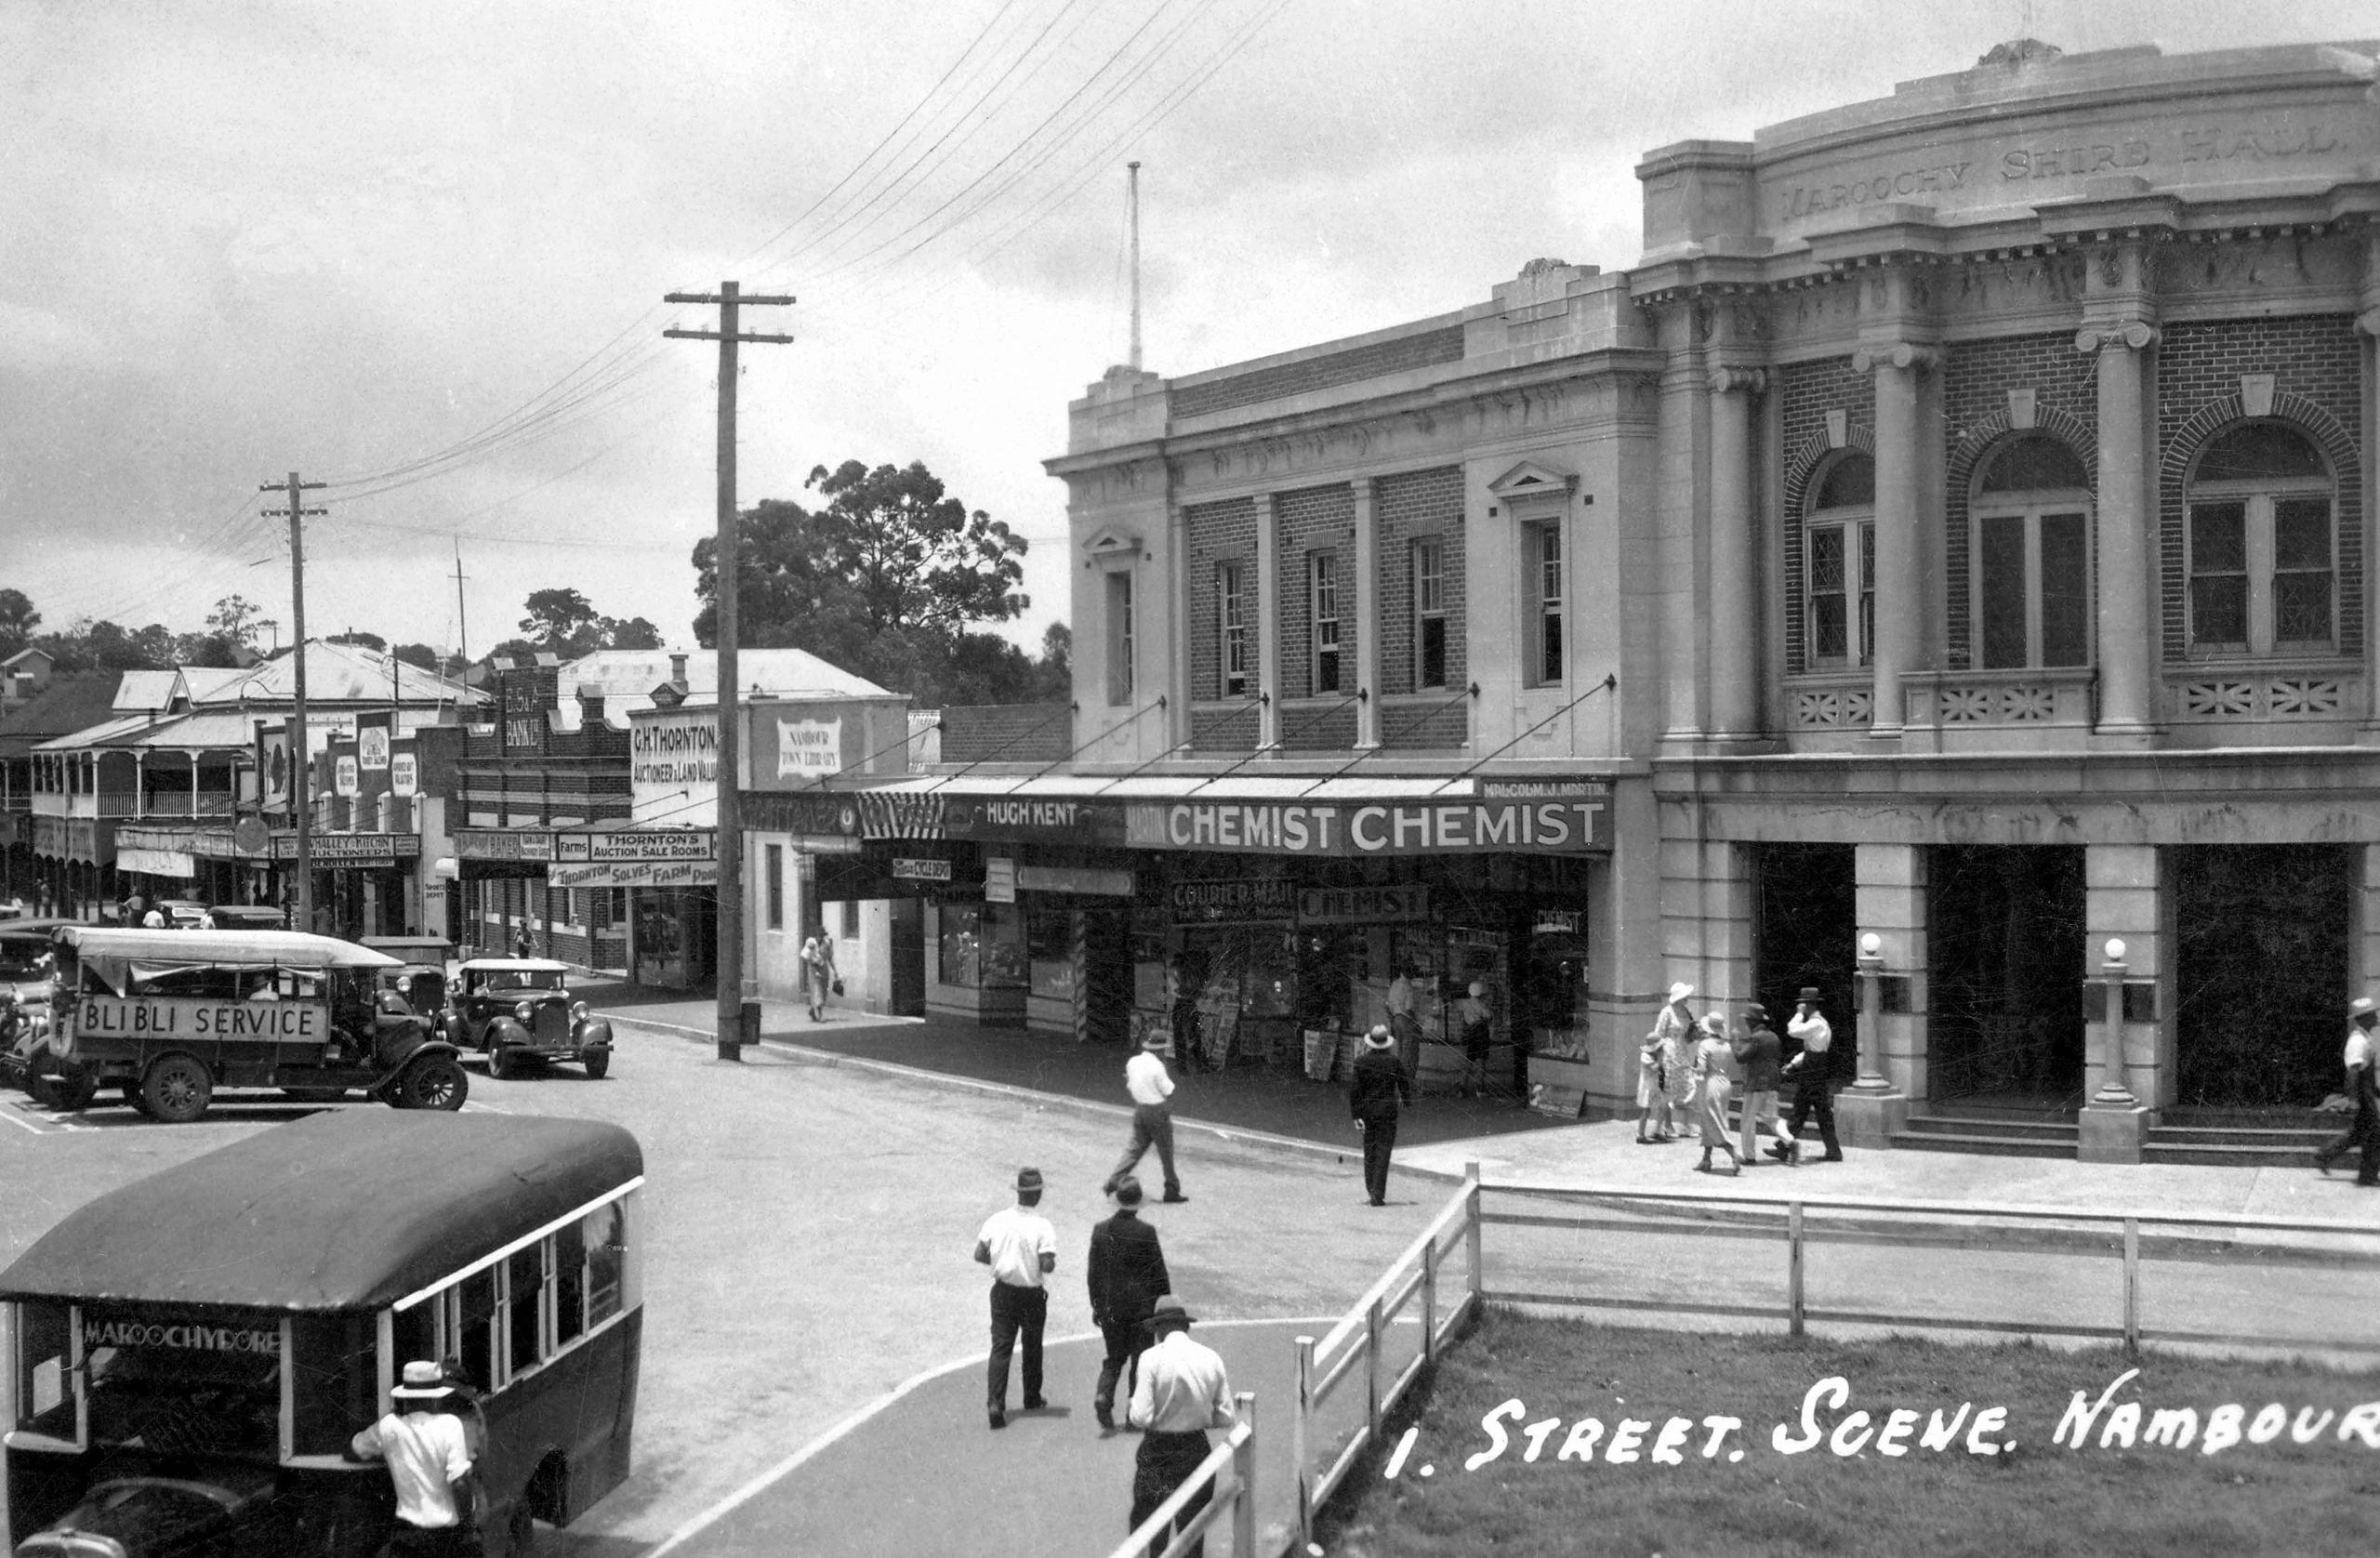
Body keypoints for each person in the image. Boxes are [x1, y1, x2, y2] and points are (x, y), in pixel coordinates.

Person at [1125, 1296, 1237, 1558]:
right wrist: (1196, 1415)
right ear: (1184, 1326)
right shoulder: (1211, 1357)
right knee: (1192, 1532)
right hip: (1196, 1448)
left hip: (1158, 1450)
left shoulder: (1150, 1358)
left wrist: (1137, 1407)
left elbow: (1139, 1417)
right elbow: (1226, 1416)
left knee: (1150, 1528)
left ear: (1161, 1328)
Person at [347, 1359, 481, 1557]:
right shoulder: (450, 1425)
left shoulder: (388, 1426)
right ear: (436, 1396)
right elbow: (460, 1483)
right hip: (447, 1538)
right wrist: (468, 1525)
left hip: (407, 1538)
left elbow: (357, 1448)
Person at [974, 1166, 1057, 1430]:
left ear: (1020, 1192)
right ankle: (1031, 1397)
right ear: (1038, 1195)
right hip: (1031, 1294)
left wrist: (999, 1260)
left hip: (1002, 1291)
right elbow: (1047, 1265)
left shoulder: (997, 1219)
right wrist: (1039, 1260)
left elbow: (979, 1253)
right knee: (1032, 1347)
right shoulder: (1043, 1226)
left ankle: (995, 1403)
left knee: (1001, 1347)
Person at [1088, 1176, 1171, 1431]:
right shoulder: (1146, 1232)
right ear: (1138, 1203)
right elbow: (1159, 1274)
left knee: (1114, 1358)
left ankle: (1104, 1394)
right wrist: (1164, 1305)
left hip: (1112, 1309)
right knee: (1140, 1361)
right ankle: (1133, 1413)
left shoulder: (1101, 1230)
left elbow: (1094, 1275)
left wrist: (1097, 1305)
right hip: (1142, 1310)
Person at [1104, 1033, 1186, 1203]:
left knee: (1135, 1148)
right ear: (1160, 1050)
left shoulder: (1132, 1062)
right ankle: (1171, 1189)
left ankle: (1114, 1180)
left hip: (1140, 1109)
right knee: (1166, 1152)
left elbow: (1130, 1084)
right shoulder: (1158, 1067)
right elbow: (1168, 1090)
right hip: (1157, 1110)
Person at [1773, 986, 1843, 1164]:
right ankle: (1786, 1147)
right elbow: (1810, 1051)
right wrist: (1794, 1064)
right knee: (1809, 1110)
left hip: (1814, 1070)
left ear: (1809, 1005)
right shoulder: (1818, 1024)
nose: (1801, 1006)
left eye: (1803, 1004)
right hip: (1813, 1066)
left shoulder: (1816, 1023)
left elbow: (1793, 1030)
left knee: (1806, 1109)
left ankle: (1785, 1147)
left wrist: (1798, 1014)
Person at [1348, 1023, 1413, 1206]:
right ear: (1387, 1043)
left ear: (1370, 1043)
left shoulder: (1361, 1062)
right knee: (1384, 1151)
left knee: (1370, 1150)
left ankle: (1371, 1189)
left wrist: (1356, 1115)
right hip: (1387, 1112)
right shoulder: (1394, 1062)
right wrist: (1406, 1101)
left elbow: (1355, 1091)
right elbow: (1404, 1084)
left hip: (1368, 1112)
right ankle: (1378, 1192)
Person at [2316, 996, 2379, 1179]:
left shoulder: (2365, 1038)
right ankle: (2367, 1176)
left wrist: (2375, 1090)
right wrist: (2353, 1099)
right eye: (2372, 1014)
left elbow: (2366, 1073)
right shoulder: (2358, 1041)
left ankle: (2324, 1155)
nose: (2376, 1016)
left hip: (2365, 1090)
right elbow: (2353, 1073)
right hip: (2361, 1092)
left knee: (2358, 1132)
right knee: (2375, 1133)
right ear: (2365, 1018)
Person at [1732, 1004, 1792, 1167]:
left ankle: (1749, 1156)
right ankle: (1789, 1140)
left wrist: (1736, 1041)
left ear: (1752, 1021)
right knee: (1771, 1117)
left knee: (1747, 1120)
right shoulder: (1774, 1037)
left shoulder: (1755, 1038)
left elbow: (1741, 1057)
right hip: (1772, 1081)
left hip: (1756, 1082)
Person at [1640, 984, 1693, 1142]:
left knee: (1685, 1087)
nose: (1687, 999)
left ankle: (1685, 1124)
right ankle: (1667, 1125)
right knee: (1668, 1088)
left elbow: (1688, 1034)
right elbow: (1658, 1034)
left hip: (1682, 1050)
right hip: (1669, 1051)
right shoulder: (1667, 1012)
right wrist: (1660, 1054)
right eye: (1684, 996)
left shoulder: (1686, 1012)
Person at [1691, 1012, 1741, 1175]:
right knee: (1709, 1119)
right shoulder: (1726, 1045)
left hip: (1711, 1082)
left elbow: (1702, 1068)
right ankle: (1706, 1159)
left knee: (1713, 1119)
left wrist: (1691, 1068)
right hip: (1725, 1082)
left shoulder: (1705, 1045)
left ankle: (1733, 1153)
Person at [1453, 980, 1493, 1099]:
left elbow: (1454, 1003)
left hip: (1471, 1032)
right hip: (1481, 1032)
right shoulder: (1482, 1005)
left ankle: (1462, 1087)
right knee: (1481, 1060)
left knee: (1469, 1060)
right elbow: (1489, 1017)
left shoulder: (1463, 1003)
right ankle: (1480, 1089)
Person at [1385, 965, 1421, 1076]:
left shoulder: (1394, 984)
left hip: (1396, 1019)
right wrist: (1416, 1024)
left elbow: (1387, 1005)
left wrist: (1393, 1019)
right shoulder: (1408, 987)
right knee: (1410, 1054)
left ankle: (1399, 1079)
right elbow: (1409, 1008)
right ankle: (1407, 1082)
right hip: (1407, 1021)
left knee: (1400, 1051)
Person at [800, 931, 836, 1022]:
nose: (820, 938)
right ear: (816, 936)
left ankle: (812, 1010)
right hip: (813, 969)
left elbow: (830, 957)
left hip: (823, 969)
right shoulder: (811, 942)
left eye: (822, 936)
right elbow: (804, 955)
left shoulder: (826, 943)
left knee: (823, 991)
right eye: (818, 936)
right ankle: (820, 1014)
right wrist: (812, 961)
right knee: (817, 990)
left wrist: (835, 970)